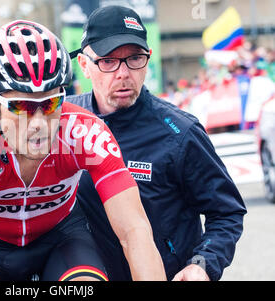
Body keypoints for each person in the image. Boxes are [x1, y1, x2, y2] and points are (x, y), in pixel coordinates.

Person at [0, 20, 166, 281]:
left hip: (61, 240)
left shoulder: (84, 131)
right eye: (21, 106)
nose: (37, 123)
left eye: (50, 104)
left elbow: (134, 230)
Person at [68, 5, 247, 281]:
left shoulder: (180, 132)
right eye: (108, 61)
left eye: (135, 58)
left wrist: (202, 264)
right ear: (84, 65)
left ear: (147, 60)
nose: (123, 73)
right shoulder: (63, 122)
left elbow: (226, 212)